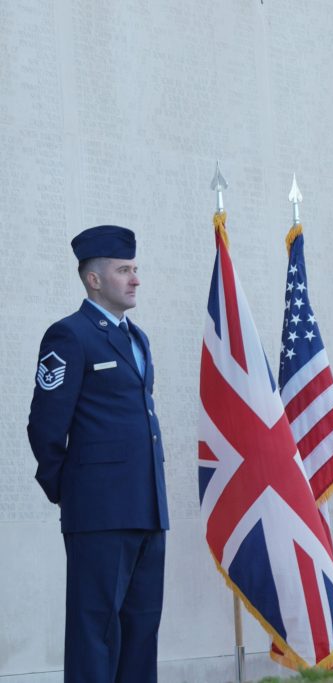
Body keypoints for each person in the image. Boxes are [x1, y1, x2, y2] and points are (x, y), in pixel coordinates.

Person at [27, 225, 169, 683]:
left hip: (147, 508)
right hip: (99, 512)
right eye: (124, 270)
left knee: (141, 632)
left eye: (135, 269)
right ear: (94, 279)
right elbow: (46, 426)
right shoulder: (70, 336)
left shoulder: (138, 338)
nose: (135, 279)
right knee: (95, 634)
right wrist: (71, 490)